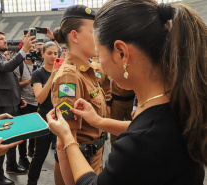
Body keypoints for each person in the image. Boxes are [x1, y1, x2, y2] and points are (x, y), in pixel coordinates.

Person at [47, 0, 207, 185]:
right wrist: (98, 121)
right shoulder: (180, 98)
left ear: (121, 53)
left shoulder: (139, 143)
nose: (99, 62)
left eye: (100, 53)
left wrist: (65, 139)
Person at [51, 5, 106, 185]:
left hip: (93, 158)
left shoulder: (86, 71)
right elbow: (65, 144)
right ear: (74, 36)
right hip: (80, 165)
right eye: (93, 32)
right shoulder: (69, 77)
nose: (99, 38)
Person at [0, 31, 34, 185]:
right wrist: (24, 50)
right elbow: (6, 68)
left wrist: (17, 99)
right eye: (1, 39)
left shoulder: (2, 56)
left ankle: (11, 166)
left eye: (5, 39)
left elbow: (9, 81)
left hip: (9, 102)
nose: (5, 41)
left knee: (11, 137)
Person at [27, 41, 59, 185]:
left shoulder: (64, 71)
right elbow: (39, 97)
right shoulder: (38, 73)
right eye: (49, 53)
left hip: (61, 115)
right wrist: (52, 77)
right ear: (42, 54)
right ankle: (31, 182)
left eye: (56, 53)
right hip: (44, 115)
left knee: (63, 154)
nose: (53, 56)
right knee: (40, 154)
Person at [14, 54, 39, 170]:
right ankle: (22, 157)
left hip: (37, 102)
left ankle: (31, 151)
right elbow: (16, 85)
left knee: (35, 130)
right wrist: (30, 80)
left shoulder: (38, 63)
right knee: (24, 133)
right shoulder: (20, 66)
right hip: (25, 103)